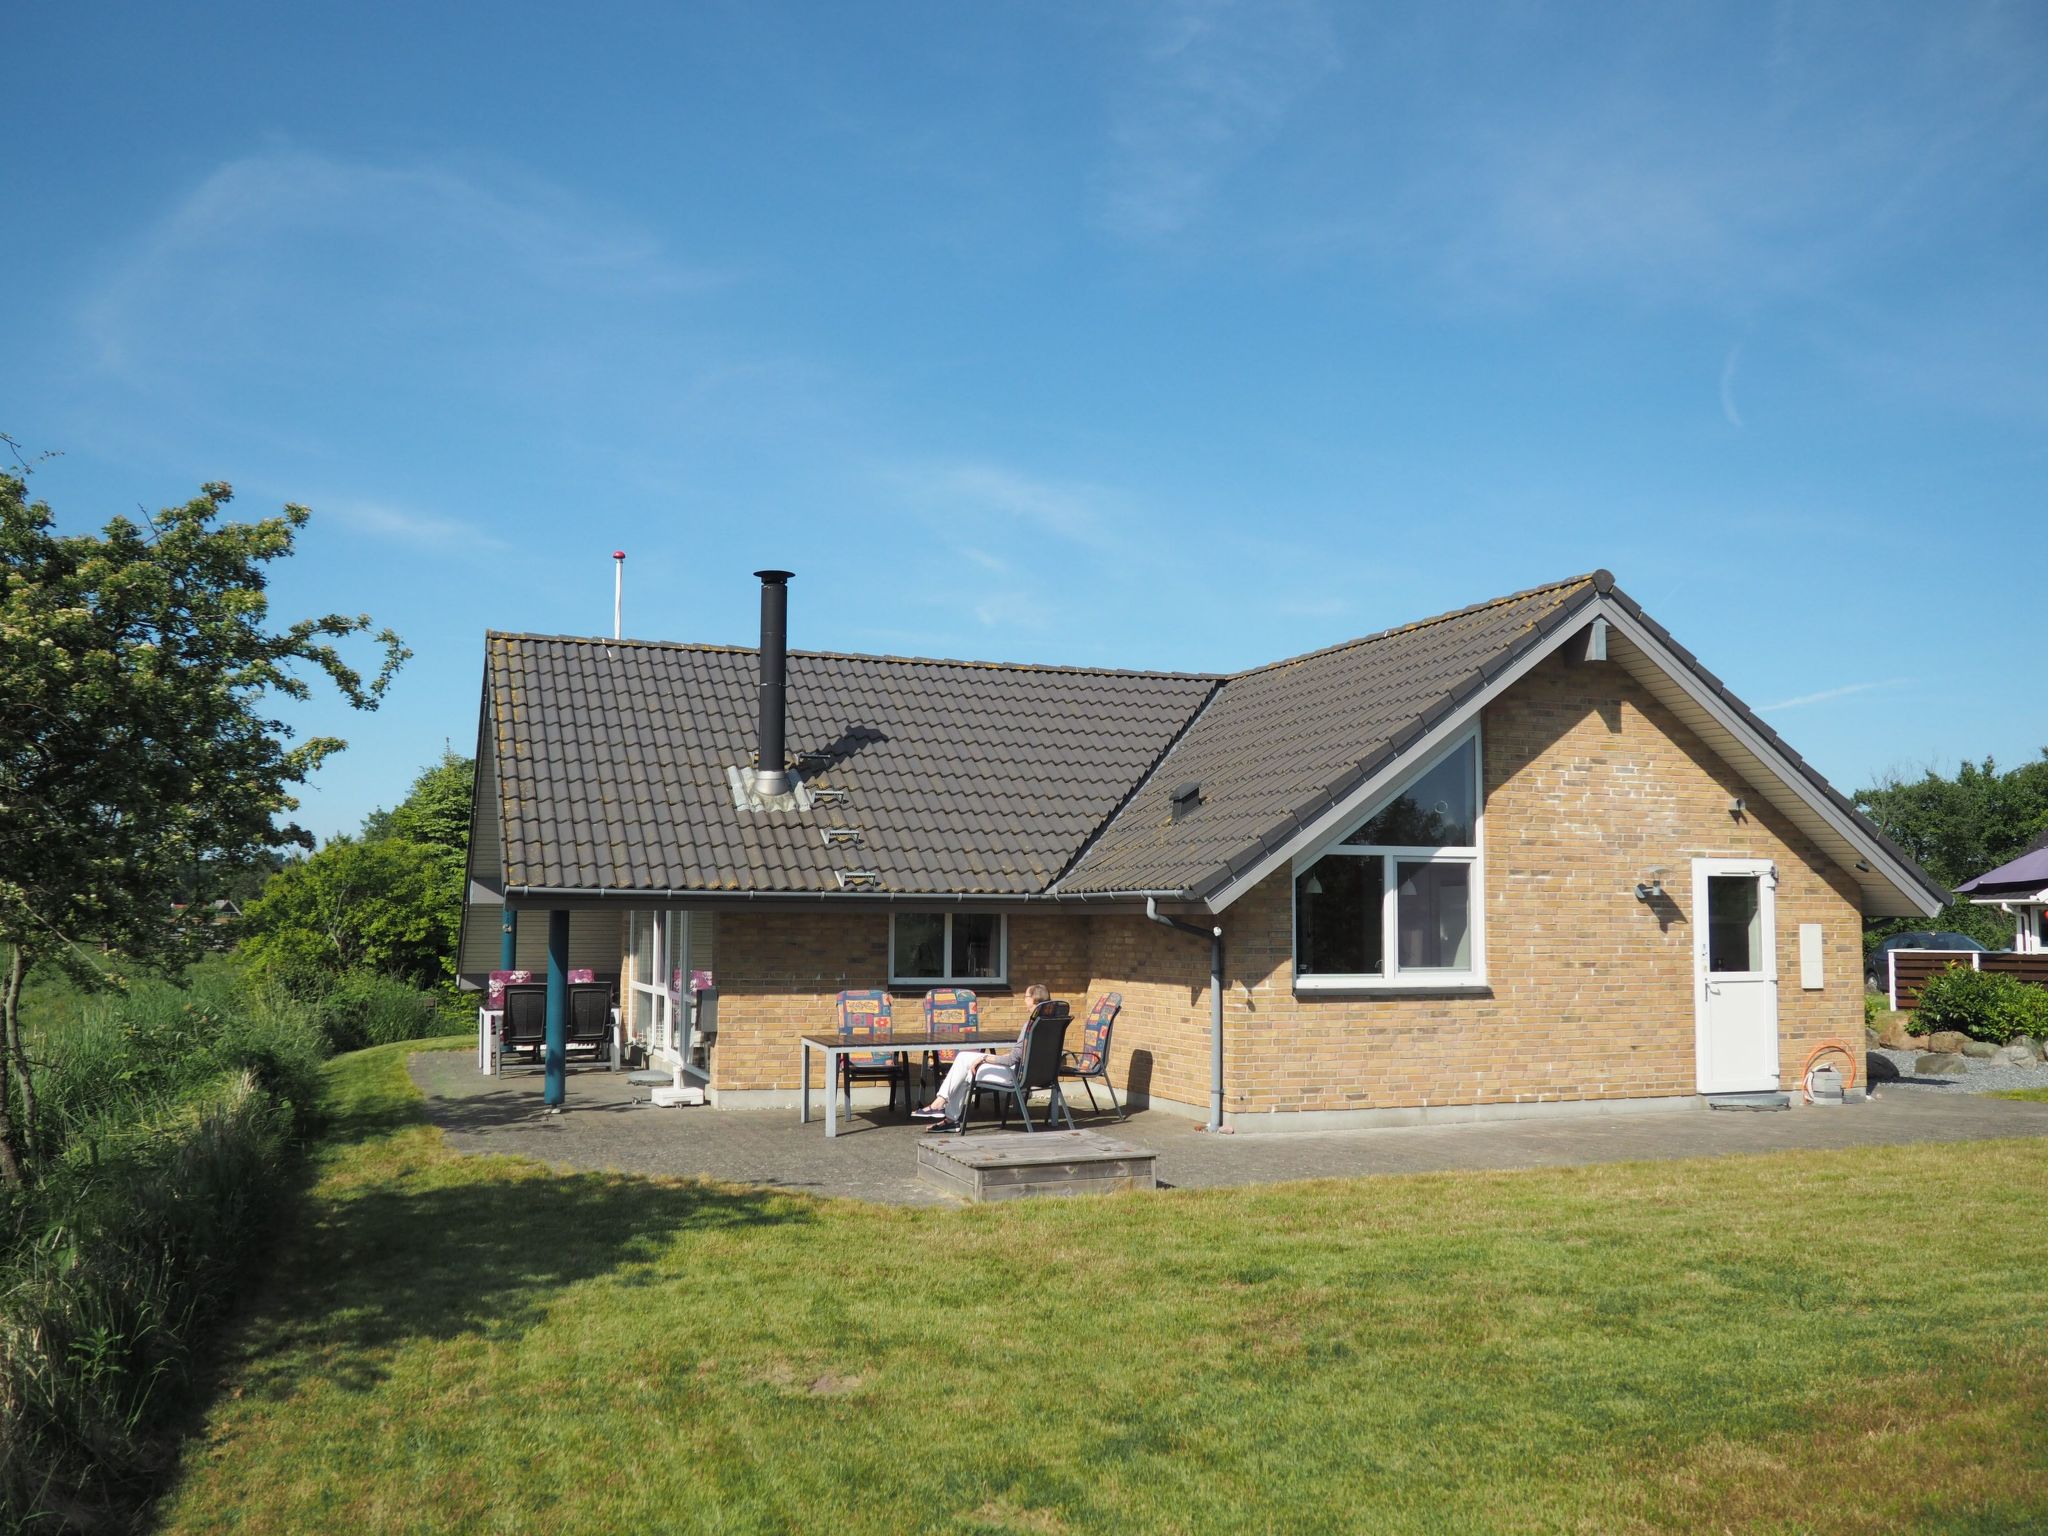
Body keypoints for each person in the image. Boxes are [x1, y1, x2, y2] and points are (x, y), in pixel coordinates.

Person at [913, 983, 1050, 1125]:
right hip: (1041, 1075)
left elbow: (1011, 1060)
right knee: (966, 1070)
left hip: (1016, 1076)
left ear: (1034, 999)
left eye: (1026, 996)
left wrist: (984, 1058)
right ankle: (949, 1119)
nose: (1024, 999)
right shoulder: (1051, 1023)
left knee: (963, 1059)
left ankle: (940, 1105)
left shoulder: (1030, 1026)